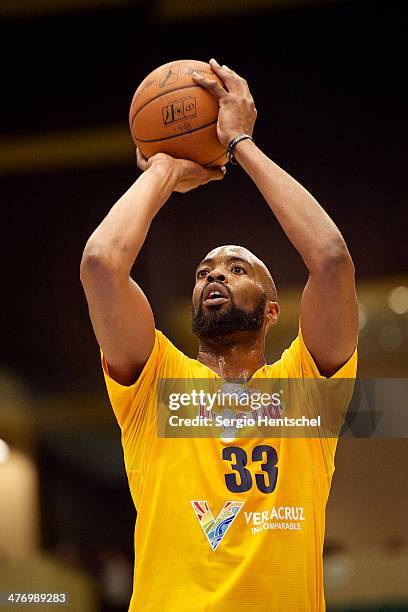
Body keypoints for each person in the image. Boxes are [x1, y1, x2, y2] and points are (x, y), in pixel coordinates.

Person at [80, 58, 358, 611]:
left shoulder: (306, 388)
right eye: (206, 271)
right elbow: (100, 264)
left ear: (274, 309)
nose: (215, 276)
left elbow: (329, 259)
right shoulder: (154, 383)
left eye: (237, 269)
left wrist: (241, 145)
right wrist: (162, 169)